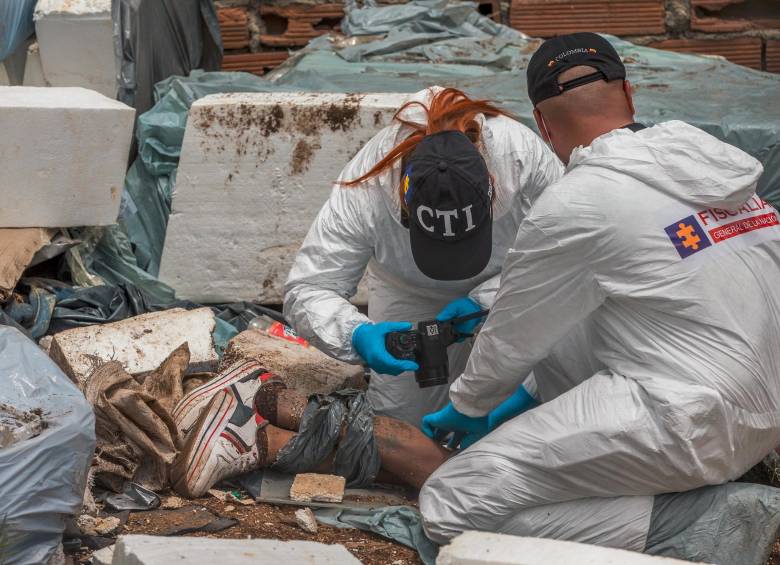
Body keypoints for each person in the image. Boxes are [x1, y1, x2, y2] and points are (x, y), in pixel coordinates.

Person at [415, 31, 780, 554]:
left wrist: (469, 406)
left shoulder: (578, 202)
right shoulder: (715, 168)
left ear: (542, 124)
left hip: (690, 421)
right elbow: (623, 274)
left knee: (452, 500)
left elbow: (513, 339)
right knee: (588, 315)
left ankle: (693, 521)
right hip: (765, 408)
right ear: (630, 95)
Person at [283, 87, 562, 426]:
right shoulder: (364, 190)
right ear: (405, 206)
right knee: (405, 423)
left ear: (491, 189)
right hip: (409, 290)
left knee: (533, 409)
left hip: (513, 279)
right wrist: (355, 333)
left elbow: (563, 255)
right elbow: (308, 288)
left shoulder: (521, 157)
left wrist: (489, 298)